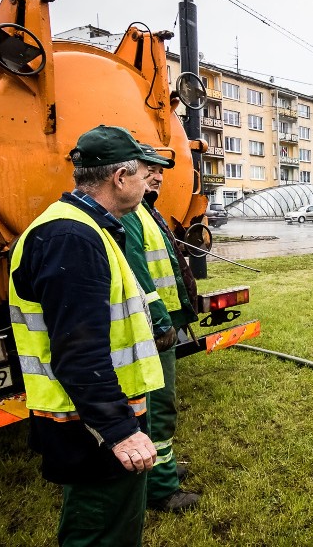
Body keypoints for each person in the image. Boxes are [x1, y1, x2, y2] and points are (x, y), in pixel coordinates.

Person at [9, 125, 170, 546]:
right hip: (88, 425)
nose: (147, 183)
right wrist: (119, 430)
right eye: (141, 174)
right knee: (100, 527)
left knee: (114, 518)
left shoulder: (87, 227)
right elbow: (79, 351)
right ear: (120, 177)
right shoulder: (71, 237)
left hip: (97, 414)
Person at [121, 162, 201, 512]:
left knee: (162, 408)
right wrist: (160, 318)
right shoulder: (130, 215)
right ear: (126, 173)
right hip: (154, 330)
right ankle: (161, 489)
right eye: (149, 169)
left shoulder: (147, 210)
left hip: (163, 325)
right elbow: (139, 270)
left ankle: (163, 470)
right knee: (155, 409)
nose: (157, 176)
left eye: (162, 171)